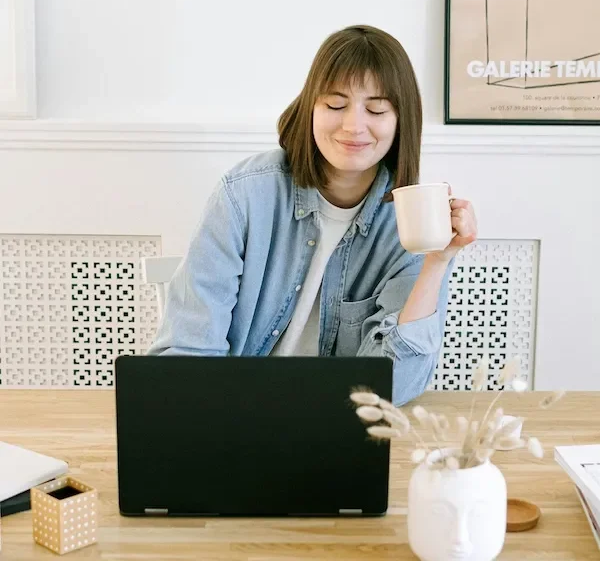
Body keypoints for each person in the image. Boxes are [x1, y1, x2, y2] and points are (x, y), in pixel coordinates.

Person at [147, 25, 477, 406]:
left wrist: (436, 261)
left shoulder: (414, 220)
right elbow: (188, 355)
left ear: (401, 120)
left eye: (376, 108)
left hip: (338, 426)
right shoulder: (244, 195)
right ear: (310, 108)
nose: (353, 126)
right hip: (233, 413)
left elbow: (392, 388)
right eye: (335, 105)